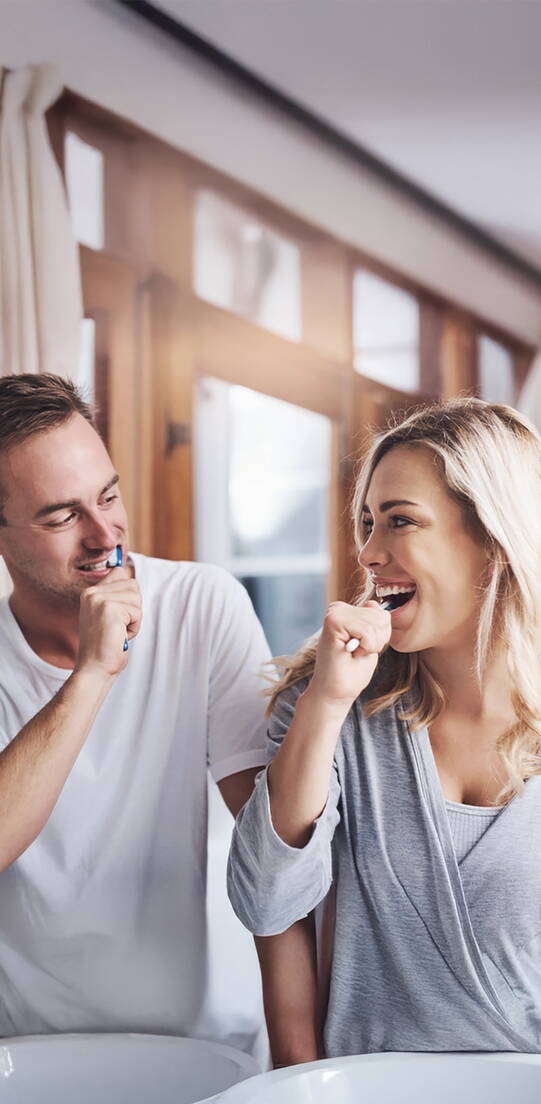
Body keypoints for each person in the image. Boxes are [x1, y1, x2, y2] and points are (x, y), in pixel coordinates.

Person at [0, 371, 315, 1064]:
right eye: (60, 516)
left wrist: (302, 1071)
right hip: (26, 1058)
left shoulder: (203, 603)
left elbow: (276, 854)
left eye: (108, 495)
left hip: (196, 1048)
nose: (103, 532)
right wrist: (92, 675)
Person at [228, 397, 541, 1058]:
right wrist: (325, 703)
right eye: (366, 523)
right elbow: (264, 901)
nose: (368, 553)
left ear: (492, 536)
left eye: (398, 522)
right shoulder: (329, 707)